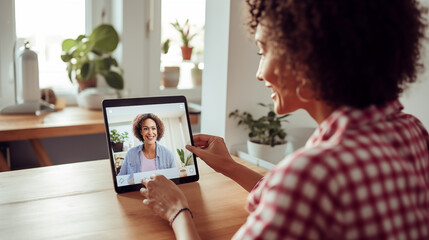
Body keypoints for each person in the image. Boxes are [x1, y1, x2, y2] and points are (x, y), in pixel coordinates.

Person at [139, 0, 429, 239]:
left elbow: (302, 188)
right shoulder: (412, 132)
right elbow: (295, 198)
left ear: (306, 62)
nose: (259, 72)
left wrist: (177, 210)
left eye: (263, 51)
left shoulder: (314, 173)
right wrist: (228, 165)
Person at [118, 113, 176, 184]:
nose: (150, 133)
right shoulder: (131, 153)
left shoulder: (168, 154)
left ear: (157, 131)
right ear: (141, 132)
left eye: (153, 128)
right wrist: (130, 182)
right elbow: (121, 179)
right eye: (146, 129)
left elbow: (175, 181)